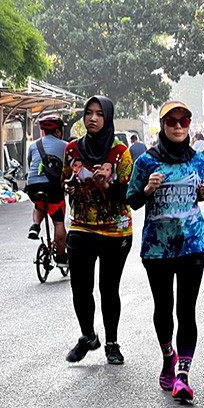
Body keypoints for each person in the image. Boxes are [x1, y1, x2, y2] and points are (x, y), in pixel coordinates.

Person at [127, 100, 204, 401]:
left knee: (186, 310)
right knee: (163, 309)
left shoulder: (199, 160)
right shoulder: (146, 162)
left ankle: (183, 375)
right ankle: (168, 357)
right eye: (172, 122)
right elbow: (132, 200)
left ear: (189, 125)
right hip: (157, 248)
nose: (178, 126)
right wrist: (148, 189)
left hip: (192, 245)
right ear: (162, 126)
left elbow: (201, 192)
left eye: (184, 121)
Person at [63, 95, 133, 365]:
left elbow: (127, 194)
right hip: (81, 225)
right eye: (89, 113)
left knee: (108, 288)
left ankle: (112, 343)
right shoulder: (72, 149)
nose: (93, 118)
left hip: (115, 229)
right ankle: (88, 335)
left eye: (99, 114)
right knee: (80, 287)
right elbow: (67, 179)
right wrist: (69, 185)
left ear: (108, 118)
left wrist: (106, 185)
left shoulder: (120, 153)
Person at [25, 115, 69, 267]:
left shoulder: (33, 145)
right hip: (53, 188)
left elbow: (31, 164)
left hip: (33, 187)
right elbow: (68, 170)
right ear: (58, 131)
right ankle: (62, 258)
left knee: (40, 205)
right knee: (58, 222)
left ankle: (35, 227)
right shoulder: (66, 146)